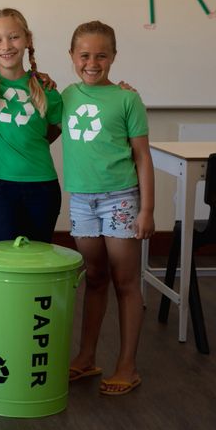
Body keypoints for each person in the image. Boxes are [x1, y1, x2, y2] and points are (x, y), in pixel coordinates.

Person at [62, 21, 154, 396]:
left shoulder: (128, 99)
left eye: (101, 55)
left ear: (113, 57)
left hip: (121, 199)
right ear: (72, 56)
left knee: (125, 281)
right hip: (82, 200)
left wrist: (146, 209)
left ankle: (127, 365)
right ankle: (86, 358)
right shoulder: (65, 95)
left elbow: (143, 158)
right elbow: (46, 130)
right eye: (84, 55)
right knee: (95, 277)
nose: (92, 62)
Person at [0, 8, 63, 243]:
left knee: (39, 255)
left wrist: (27, 140)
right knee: (5, 255)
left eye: (14, 37)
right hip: (1, 188)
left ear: (28, 40)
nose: (6, 45)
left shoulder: (46, 87)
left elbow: (58, 125)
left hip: (43, 186)